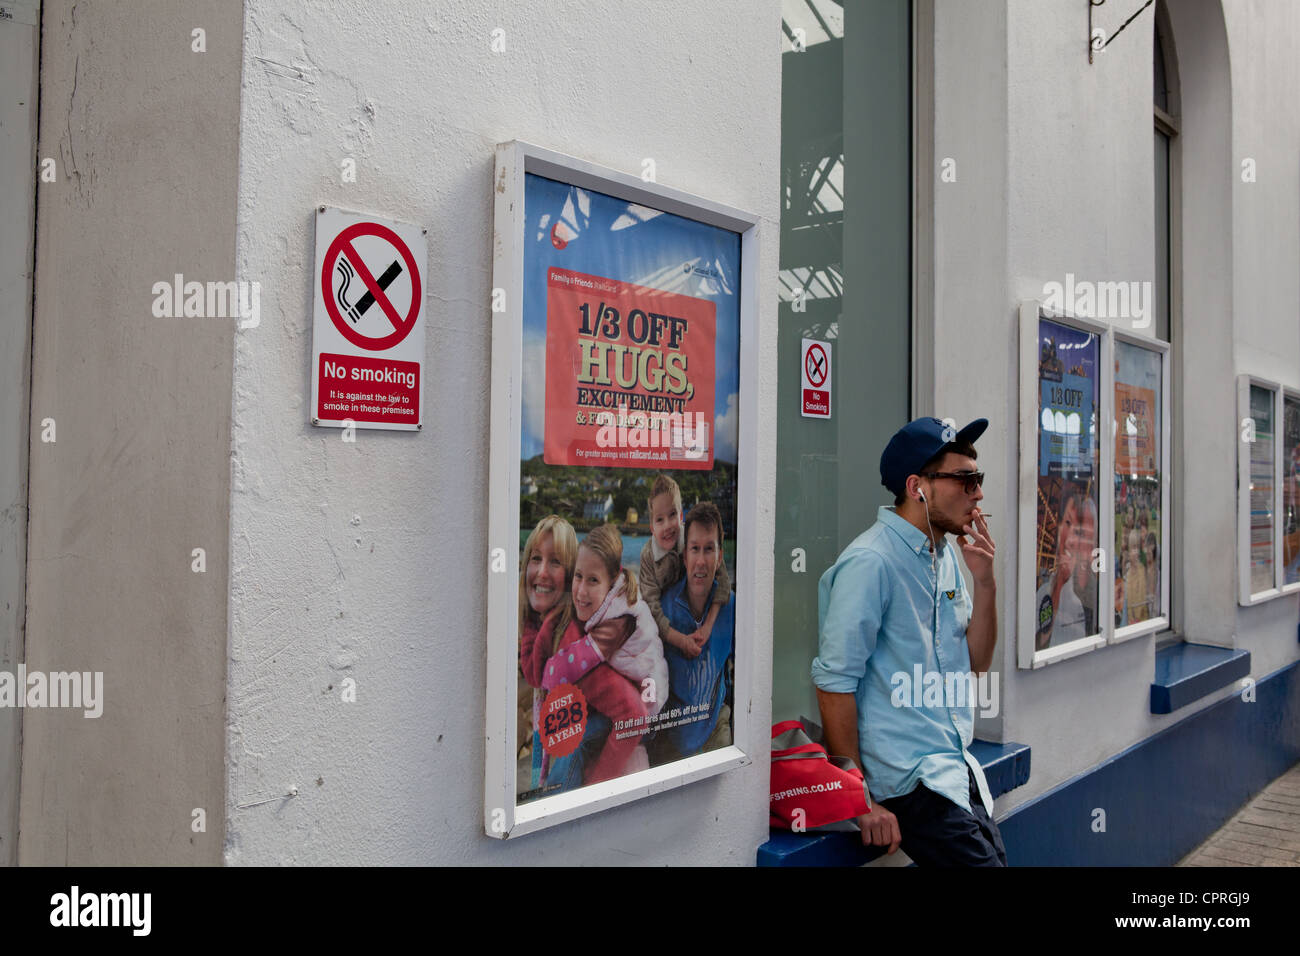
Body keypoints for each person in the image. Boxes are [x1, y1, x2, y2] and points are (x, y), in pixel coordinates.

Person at [811, 416, 1006, 866]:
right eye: (965, 480)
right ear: (918, 487)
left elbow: (976, 663)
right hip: (909, 783)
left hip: (953, 772)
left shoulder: (946, 558)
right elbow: (834, 684)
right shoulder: (871, 563)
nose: (977, 493)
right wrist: (858, 800)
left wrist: (987, 585)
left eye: (978, 480)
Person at [539, 524, 669, 785]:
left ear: (612, 581)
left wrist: (550, 671)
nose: (581, 590)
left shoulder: (616, 622)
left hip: (649, 702)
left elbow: (573, 663)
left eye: (593, 580)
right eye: (578, 576)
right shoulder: (610, 604)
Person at [517, 516, 638, 793]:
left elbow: (633, 713)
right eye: (536, 558)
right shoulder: (544, 634)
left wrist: (596, 786)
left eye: (556, 562)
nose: (542, 571)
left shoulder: (573, 648)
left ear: (573, 575)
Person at [653, 502, 736, 761]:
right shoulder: (663, 609)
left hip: (716, 731)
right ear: (684, 556)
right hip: (671, 739)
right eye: (695, 549)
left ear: (720, 556)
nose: (701, 561)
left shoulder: (732, 607)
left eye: (709, 549)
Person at [639, 474, 732, 663]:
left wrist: (707, 627)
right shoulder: (648, 556)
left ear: (681, 515)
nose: (667, 526)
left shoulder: (691, 538)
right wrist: (682, 641)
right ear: (651, 528)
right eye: (659, 520)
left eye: (672, 515)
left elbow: (723, 582)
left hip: (694, 607)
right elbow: (651, 610)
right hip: (667, 621)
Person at [1034, 488, 1098, 648]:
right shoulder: (1044, 592)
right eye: (1068, 523)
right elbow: (1036, 645)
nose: (1069, 540)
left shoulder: (1096, 600)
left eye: (1081, 533)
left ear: (1093, 546)